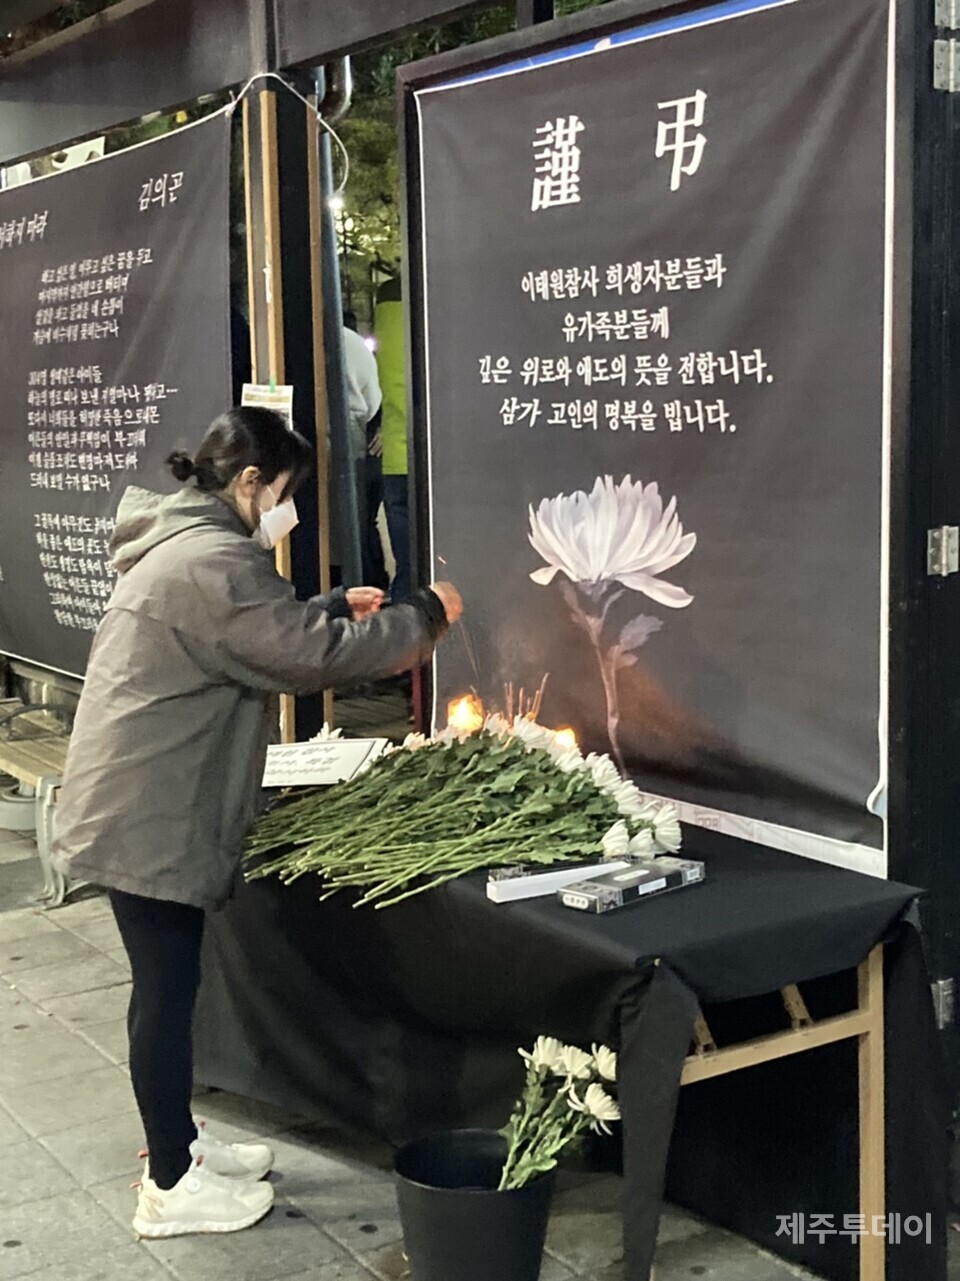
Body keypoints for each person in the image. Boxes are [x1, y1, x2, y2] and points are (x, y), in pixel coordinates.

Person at [52, 407, 462, 1240]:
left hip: (134, 796)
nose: (288, 512)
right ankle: (168, 1183)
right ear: (248, 482)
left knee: (168, 986)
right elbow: (310, 658)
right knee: (165, 996)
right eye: (285, 494)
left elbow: (264, 633)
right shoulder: (212, 560)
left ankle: (182, 1146)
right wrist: (422, 617)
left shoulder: (187, 546)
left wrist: (323, 605)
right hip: (146, 810)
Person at [342, 312, 388, 590]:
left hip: (332, 445)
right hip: (361, 441)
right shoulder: (355, 344)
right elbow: (373, 401)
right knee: (364, 523)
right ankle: (374, 586)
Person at [374, 277, 411, 601]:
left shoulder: (384, 302)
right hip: (429, 457)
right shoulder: (435, 299)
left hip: (394, 459)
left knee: (406, 565)